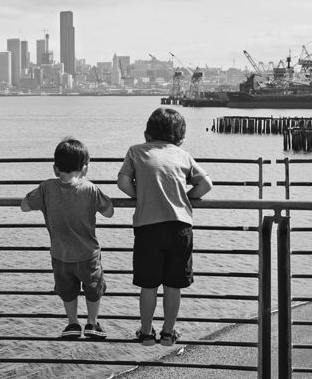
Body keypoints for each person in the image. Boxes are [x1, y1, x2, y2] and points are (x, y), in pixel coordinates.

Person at [117, 108, 213, 347]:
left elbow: (122, 182)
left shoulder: (135, 151)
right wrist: (184, 199)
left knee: (148, 285)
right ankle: (168, 332)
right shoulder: (182, 154)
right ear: (180, 137)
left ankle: (147, 333)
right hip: (180, 227)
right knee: (173, 285)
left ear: (147, 134)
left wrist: (143, 196)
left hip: (148, 228)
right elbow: (206, 184)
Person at [21, 137, 114, 340]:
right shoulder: (90, 189)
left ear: (56, 169)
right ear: (85, 168)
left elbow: (24, 206)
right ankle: (91, 323)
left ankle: (72, 323)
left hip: (60, 255)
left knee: (67, 291)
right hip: (87, 254)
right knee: (94, 287)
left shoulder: (46, 188)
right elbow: (109, 212)